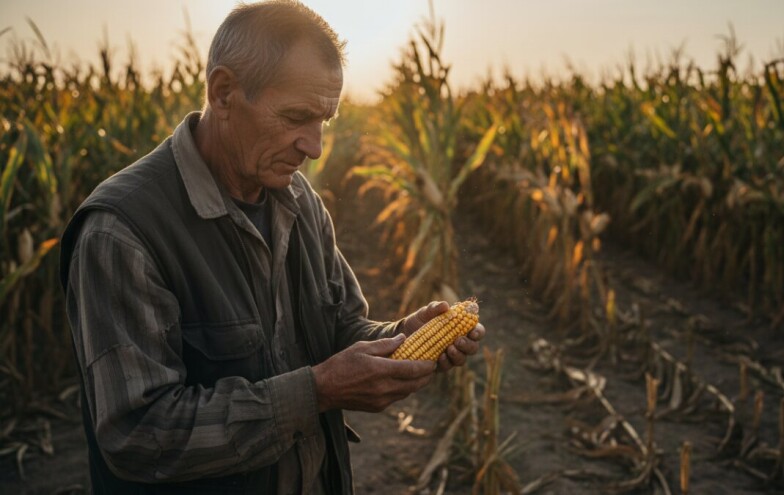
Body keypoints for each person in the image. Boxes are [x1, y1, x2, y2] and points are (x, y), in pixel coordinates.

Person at [58, 1, 485, 493]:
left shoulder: (300, 201)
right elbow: (138, 434)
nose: (316, 146)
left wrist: (399, 339)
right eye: (297, 117)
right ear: (223, 93)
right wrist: (316, 392)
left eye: (325, 119)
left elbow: (342, 326)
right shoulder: (123, 233)